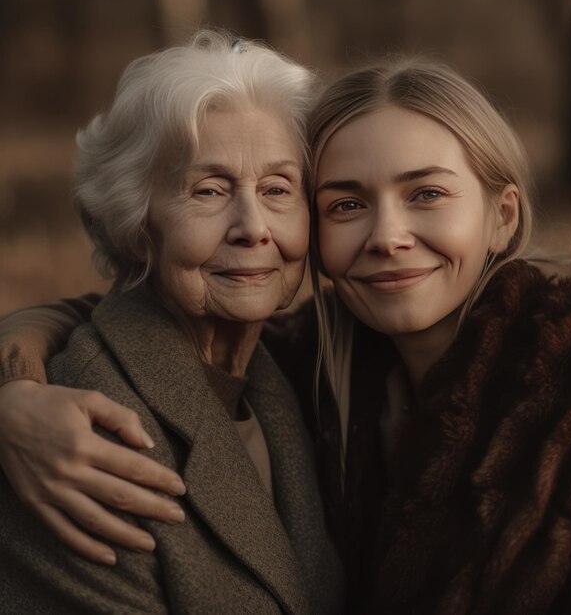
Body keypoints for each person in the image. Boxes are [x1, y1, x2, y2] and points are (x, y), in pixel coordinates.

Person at [1, 57, 571, 614]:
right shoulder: (305, 366)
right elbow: (107, 320)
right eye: (346, 204)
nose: (387, 235)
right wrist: (16, 389)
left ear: (503, 216)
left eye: (427, 193)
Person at [0, 30, 344, 614]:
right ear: (135, 224)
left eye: (278, 188)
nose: (253, 226)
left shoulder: (295, 373)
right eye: (209, 190)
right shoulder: (86, 437)